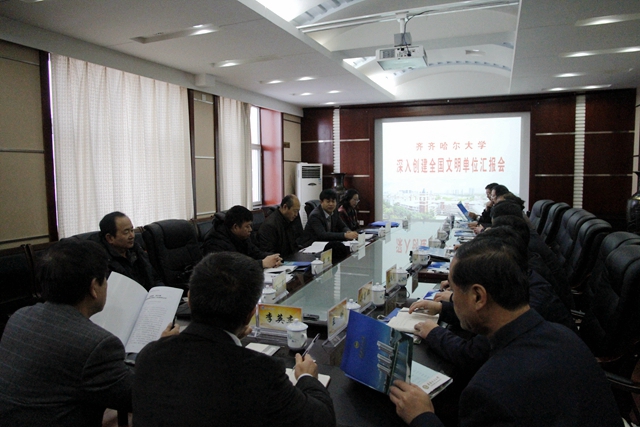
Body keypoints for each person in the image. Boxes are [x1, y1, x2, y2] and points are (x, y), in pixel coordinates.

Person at [389, 234, 622, 427]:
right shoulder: (564, 335)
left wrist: (422, 416)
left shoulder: (488, 392)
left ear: (478, 296)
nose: (452, 298)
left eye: (455, 291)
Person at [133, 252, 336, 427]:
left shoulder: (149, 355)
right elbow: (322, 419)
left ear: (190, 300)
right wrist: (307, 378)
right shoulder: (261, 372)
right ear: (250, 315)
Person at [0, 239, 178, 426]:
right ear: (94, 288)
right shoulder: (96, 345)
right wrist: (159, 350)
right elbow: (139, 397)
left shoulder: (20, 317)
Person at [201, 205, 282, 268]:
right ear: (235, 227)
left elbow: (255, 253)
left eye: (250, 226)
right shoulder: (215, 242)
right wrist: (261, 263)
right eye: (247, 226)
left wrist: (273, 258)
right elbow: (231, 267)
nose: (250, 229)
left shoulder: (242, 236)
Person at [97, 211, 160, 290]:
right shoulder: (101, 260)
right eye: (126, 232)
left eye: (132, 230)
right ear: (110, 238)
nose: (132, 236)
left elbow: (154, 278)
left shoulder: (136, 249)